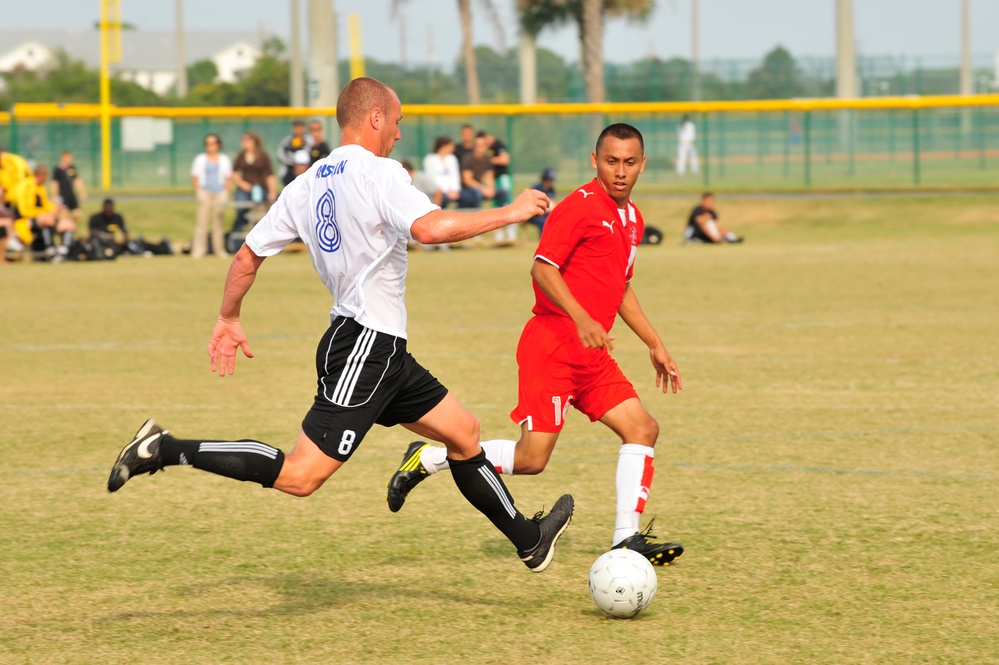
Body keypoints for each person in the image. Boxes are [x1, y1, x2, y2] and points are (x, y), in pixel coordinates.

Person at [106, 77, 574, 574]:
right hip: (365, 347)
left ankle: (529, 540)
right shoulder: (380, 172)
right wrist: (514, 211)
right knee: (301, 476)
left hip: (377, 347)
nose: (397, 133)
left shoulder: (306, 183)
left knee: (464, 433)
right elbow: (430, 228)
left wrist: (228, 316)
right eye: (395, 122)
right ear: (374, 118)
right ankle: (165, 449)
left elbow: (247, 255)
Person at [386, 123, 685, 567]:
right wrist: (582, 318)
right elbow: (543, 269)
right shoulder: (580, 207)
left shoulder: (633, 218)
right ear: (594, 161)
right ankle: (431, 457)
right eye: (611, 161)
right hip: (554, 345)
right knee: (531, 460)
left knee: (643, 429)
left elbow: (620, 288)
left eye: (629, 162)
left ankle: (626, 538)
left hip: (593, 351)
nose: (620, 172)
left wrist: (655, 344)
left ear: (642, 163)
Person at [9, 165, 65, 261]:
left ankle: (62, 249)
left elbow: (45, 204)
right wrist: (43, 213)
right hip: (22, 220)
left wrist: (56, 209)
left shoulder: (40, 188)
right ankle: (50, 249)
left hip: (37, 218)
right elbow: (24, 211)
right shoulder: (25, 186)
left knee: (65, 222)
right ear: (42, 175)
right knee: (47, 219)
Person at [190, 133, 232, 259]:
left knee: (218, 224)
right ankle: (198, 251)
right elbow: (195, 176)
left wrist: (226, 192)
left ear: (218, 145)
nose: (210, 146)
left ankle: (219, 250)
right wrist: (198, 191)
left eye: (213, 143)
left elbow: (228, 177)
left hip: (219, 192)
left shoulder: (224, 159)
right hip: (205, 192)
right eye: (207, 144)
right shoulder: (200, 159)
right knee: (202, 223)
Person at [231, 131, 277, 234]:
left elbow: (270, 174)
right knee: (241, 209)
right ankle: (238, 234)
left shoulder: (263, 156)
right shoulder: (241, 156)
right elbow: (234, 172)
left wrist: (272, 191)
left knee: (263, 211)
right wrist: (242, 184)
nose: (243, 143)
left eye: (246, 140)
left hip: (260, 188)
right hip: (244, 189)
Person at [482, 131, 516, 245]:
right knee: (496, 207)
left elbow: (505, 159)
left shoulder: (497, 145)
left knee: (507, 205)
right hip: (493, 180)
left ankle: (511, 234)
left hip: (502, 179)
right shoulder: (487, 149)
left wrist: (489, 160)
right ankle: (499, 235)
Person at [459, 133, 505, 210]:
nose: (479, 148)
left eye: (482, 145)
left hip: (482, 187)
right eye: (477, 145)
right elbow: (468, 180)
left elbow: (489, 176)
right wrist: (483, 188)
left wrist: (491, 188)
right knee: (477, 193)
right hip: (468, 189)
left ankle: (501, 216)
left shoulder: (487, 159)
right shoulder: (468, 159)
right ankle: (478, 218)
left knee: (503, 192)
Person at [422, 136, 461, 207]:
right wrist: (446, 191)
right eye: (450, 145)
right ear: (443, 146)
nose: (453, 147)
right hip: (437, 191)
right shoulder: (430, 159)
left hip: (453, 191)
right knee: (442, 198)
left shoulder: (452, 158)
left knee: (469, 196)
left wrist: (455, 190)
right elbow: (431, 178)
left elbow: (455, 176)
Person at [51, 151, 87, 226]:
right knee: (64, 215)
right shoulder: (58, 170)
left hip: (71, 195)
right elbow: (55, 184)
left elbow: (77, 180)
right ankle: (64, 231)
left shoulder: (71, 168)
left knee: (77, 213)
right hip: (62, 196)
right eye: (69, 158)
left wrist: (82, 192)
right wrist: (54, 196)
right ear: (63, 158)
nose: (70, 160)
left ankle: (70, 227)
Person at [276, 119, 313, 187]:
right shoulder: (287, 141)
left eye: (300, 127)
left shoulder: (309, 140)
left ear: (304, 128)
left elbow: (311, 153)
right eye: (296, 127)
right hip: (290, 170)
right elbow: (280, 156)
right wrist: (294, 162)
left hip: (307, 169)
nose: (298, 130)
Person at [525, 167, 556, 236]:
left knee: (554, 220)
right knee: (543, 222)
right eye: (549, 180)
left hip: (545, 213)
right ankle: (543, 239)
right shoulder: (537, 188)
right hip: (534, 214)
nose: (550, 182)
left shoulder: (551, 189)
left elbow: (552, 203)